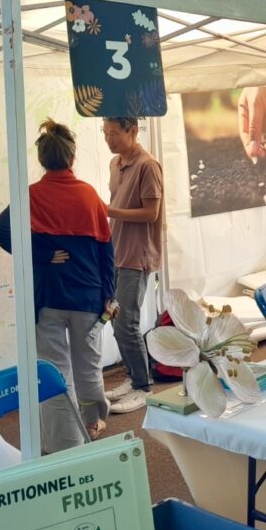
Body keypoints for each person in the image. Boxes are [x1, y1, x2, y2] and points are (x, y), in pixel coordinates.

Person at [0, 119, 114, 451]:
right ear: (72, 157)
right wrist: (109, 295)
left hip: (47, 298)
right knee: (88, 368)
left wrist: (42, 253)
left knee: (55, 374)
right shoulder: (89, 195)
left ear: (43, 160)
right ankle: (93, 423)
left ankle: (64, 443)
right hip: (88, 298)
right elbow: (106, 250)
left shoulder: (31, 195)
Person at [103, 116, 164, 414]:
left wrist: (109, 211)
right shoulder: (115, 164)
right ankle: (133, 377)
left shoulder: (148, 165)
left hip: (137, 255)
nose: (109, 139)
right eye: (105, 133)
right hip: (115, 251)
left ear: (133, 131)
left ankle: (143, 386)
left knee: (126, 322)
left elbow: (151, 213)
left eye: (114, 133)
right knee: (116, 321)